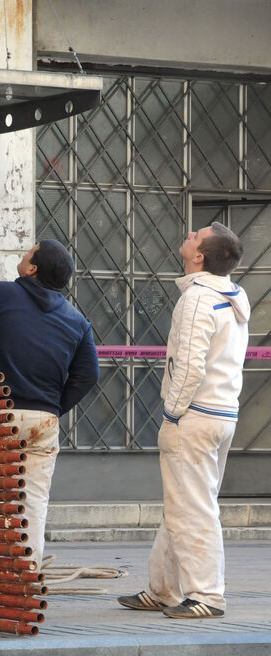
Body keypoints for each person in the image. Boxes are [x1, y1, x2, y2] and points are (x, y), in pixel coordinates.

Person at [0, 238, 99, 570]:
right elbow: (87, 376)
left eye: (30, 251)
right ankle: (25, 579)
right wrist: (52, 406)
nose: (25, 251)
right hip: (42, 421)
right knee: (32, 502)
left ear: (32, 268)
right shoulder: (78, 322)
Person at [118, 222, 249, 619]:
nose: (189, 232)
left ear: (199, 257)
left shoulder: (196, 299)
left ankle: (207, 595)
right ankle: (163, 589)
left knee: (192, 509)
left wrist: (172, 414)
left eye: (197, 235)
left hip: (195, 416)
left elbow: (187, 366)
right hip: (222, 412)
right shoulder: (234, 294)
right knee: (184, 505)